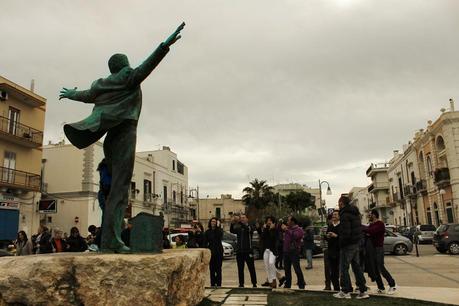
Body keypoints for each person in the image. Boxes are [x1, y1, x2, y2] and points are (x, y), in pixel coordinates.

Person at [59, 22, 185, 253]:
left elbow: (87, 95)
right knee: (119, 190)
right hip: (125, 134)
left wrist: (71, 94)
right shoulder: (129, 78)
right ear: (124, 65)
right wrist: (164, 46)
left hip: (111, 140)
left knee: (117, 190)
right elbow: (146, 67)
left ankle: (110, 240)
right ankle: (113, 240)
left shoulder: (103, 84)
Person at [333, 196, 369, 299]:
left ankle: (345, 291)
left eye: (338, 203)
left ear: (341, 203)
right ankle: (363, 291)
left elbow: (346, 232)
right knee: (357, 268)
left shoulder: (344, 215)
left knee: (344, 268)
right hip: (356, 244)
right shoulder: (355, 213)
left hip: (347, 245)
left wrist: (342, 243)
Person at [364, 209, 397, 294]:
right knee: (375, 269)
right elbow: (368, 232)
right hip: (372, 249)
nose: (369, 216)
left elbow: (370, 231)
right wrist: (367, 231)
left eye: (370, 214)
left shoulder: (380, 224)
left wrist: (365, 229)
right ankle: (381, 287)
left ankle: (392, 285)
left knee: (380, 267)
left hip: (378, 248)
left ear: (374, 215)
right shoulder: (371, 224)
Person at [230, 214, 257, 288]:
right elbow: (232, 230)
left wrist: (240, 222)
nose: (242, 219)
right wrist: (232, 223)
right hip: (240, 252)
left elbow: (248, 229)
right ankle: (241, 283)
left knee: (251, 268)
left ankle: (254, 283)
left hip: (248, 251)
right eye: (241, 218)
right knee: (240, 269)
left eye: (243, 218)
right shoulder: (239, 228)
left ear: (247, 219)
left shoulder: (249, 227)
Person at [283, 216, 306, 289]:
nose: (287, 222)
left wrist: (287, 230)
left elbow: (295, 236)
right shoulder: (288, 228)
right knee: (287, 269)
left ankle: (301, 284)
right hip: (286, 251)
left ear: (292, 222)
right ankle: (288, 284)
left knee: (297, 269)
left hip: (294, 252)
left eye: (288, 221)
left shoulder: (299, 229)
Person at [204, 217, 224, 288]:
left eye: (214, 222)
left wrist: (218, 227)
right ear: (210, 222)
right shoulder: (207, 232)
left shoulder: (219, 231)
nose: (213, 223)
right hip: (211, 252)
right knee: (212, 269)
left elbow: (219, 236)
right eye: (212, 221)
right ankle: (212, 283)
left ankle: (218, 284)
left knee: (218, 269)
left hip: (218, 251)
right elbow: (205, 242)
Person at [260, 216, 278, 288]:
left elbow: (274, 238)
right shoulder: (266, 229)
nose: (269, 222)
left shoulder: (275, 229)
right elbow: (262, 237)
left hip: (273, 250)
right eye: (267, 220)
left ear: (273, 222)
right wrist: (265, 229)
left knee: (271, 263)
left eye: (270, 220)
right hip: (266, 250)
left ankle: (274, 280)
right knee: (267, 266)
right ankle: (270, 282)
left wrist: (271, 229)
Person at [326, 210, 341, 292]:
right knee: (333, 271)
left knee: (341, 271)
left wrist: (336, 236)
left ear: (339, 216)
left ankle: (346, 288)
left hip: (339, 251)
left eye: (335, 214)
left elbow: (343, 237)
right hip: (331, 251)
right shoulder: (331, 225)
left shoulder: (341, 226)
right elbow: (327, 237)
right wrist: (327, 236)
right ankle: (336, 288)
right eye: (333, 214)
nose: (333, 216)